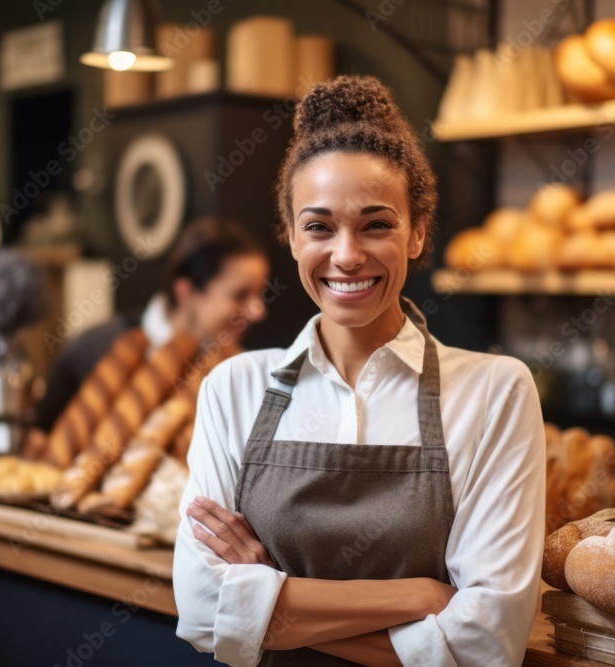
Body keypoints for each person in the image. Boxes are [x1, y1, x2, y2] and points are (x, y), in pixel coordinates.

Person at [173, 76, 546, 666]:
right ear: (291, 237)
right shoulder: (234, 387)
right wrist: (419, 597)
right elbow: (200, 609)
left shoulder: (496, 391)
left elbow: (487, 640)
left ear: (417, 232)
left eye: (376, 224)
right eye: (319, 227)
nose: (347, 255)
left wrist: (267, 599)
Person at [31, 216, 270, 433]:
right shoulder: (96, 351)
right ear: (186, 292)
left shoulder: (243, 372)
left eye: (260, 294)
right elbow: (39, 442)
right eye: (240, 295)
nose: (259, 312)